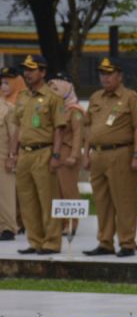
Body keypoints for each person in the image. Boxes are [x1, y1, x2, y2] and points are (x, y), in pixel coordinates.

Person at [81, 58, 137, 256]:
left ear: (120, 76)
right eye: (102, 74)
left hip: (121, 153)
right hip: (98, 154)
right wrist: (86, 153)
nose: (105, 78)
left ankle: (127, 243)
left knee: (124, 200)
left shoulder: (131, 97)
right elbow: (89, 128)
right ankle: (105, 241)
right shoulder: (96, 97)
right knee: (102, 201)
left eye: (109, 74)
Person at [7, 55, 65, 254]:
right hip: (24, 153)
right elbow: (17, 128)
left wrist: (56, 156)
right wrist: (12, 154)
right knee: (27, 199)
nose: (27, 73)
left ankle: (51, 242)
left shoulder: (53, 97)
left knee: (47, 199)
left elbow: (59, 129)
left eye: (32, 70)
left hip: (44, 151)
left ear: (43, 72)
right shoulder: (22, 96)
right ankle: (35, 241)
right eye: (25, 69)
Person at [46, 71, 84, 237]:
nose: (51, 91)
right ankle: (60, 223)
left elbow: (78, 135)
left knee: (68, 190)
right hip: (53, 155)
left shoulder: (74, 111)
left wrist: (74, 156)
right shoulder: (55, 109)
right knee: (56, 192)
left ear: (65, 88)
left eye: (55, 88)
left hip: (67, 154)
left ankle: (71, 224)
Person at [0, 74, 17, 240]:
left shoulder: (8, 108)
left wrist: (12, 156)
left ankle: (9, 228)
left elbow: (14, 134)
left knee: (5, 194)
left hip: (3, 157)